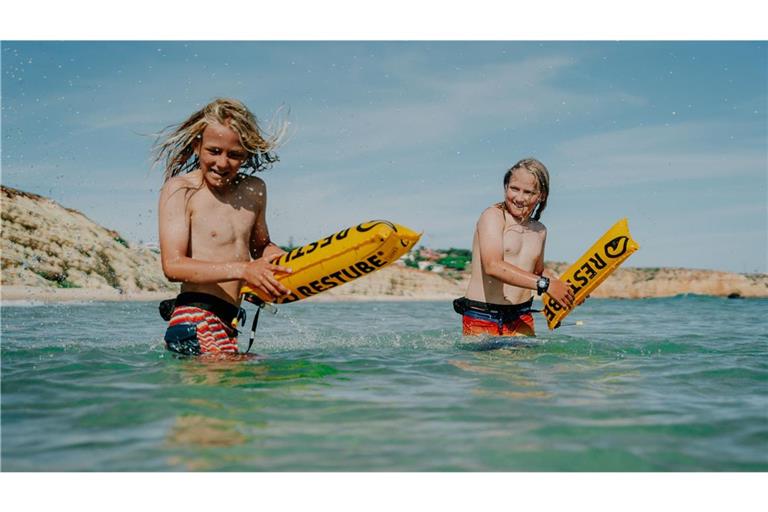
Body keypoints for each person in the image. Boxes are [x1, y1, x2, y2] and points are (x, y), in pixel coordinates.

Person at [154, 98, 291, 356]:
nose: (223, 163)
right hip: (194, 318)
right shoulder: (181, 190)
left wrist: (286, 262)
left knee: (257, 375)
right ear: (197, 146)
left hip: (229, 322)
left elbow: (261, 246)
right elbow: (173, 266)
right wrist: (244, 270)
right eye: (214, 151)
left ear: (247, 154)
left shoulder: (254, 190)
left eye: (234, 155)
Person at [454, 158, 574, 337]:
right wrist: (546, 285)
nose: (519, 198)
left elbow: (537, 271)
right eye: (514, 189)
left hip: (521, 317)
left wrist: (565, 290)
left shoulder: (540, 230)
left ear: (541, 195)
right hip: (484, 315)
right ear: (505, 187)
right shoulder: (493, 217)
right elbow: (493, 265)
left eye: (528, 192)